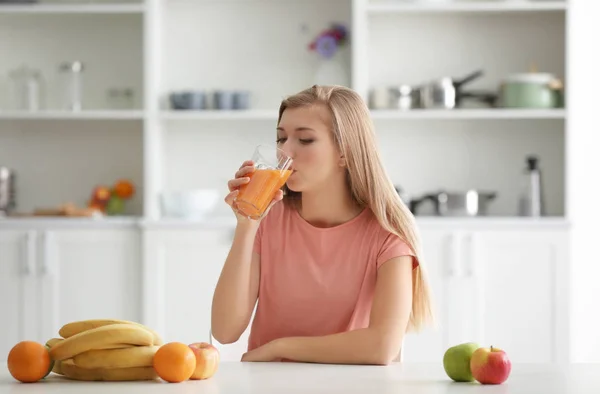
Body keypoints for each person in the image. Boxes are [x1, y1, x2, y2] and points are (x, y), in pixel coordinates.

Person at [211, 85, 433, 365]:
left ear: (345, 153)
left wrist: (279, 348)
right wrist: (247, 224)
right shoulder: (269, 221)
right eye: (281, 138)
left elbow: (382, 347)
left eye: (304, 140)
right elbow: (225, 330)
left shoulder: (388, 236)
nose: (284, 152)